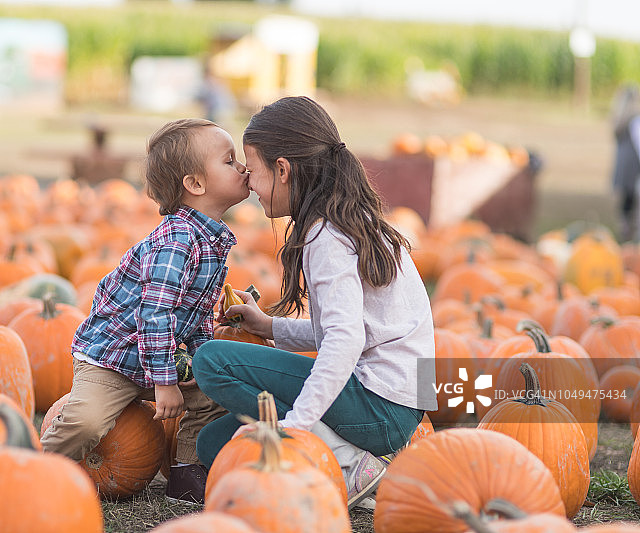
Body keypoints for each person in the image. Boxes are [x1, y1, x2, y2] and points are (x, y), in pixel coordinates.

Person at [191, 96, 437, 510]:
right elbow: (352, 330)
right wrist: (268, 327)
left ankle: (347, 462)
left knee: (213, 361)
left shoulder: (325, 236)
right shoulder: (350, 219)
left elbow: (343, 340)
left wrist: (297, 427)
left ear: (283, 170)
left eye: (254, 171)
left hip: (381, 405)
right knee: (214, 445)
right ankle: (337, 461)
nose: (249, 183)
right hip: (400, 400)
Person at [41, 118, 251, 505]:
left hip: (160, 359)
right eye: (230, 160)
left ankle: (186, 475)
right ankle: (34, 470)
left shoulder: (213, 239)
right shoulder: (178, 241)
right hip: (113, 360)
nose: (243, 168)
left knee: (213, 394)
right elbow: (155, 315)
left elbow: (198, 314)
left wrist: (203, 362)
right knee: (86, 423)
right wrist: (167, 382)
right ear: (196, 184)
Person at [610, 83, 640, 242]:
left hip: (623, 170)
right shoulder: (635, 120)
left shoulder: (618, 120)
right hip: (633, 170)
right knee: (631, 206)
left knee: (626, 206)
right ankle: (631, 242)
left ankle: (626, 238)